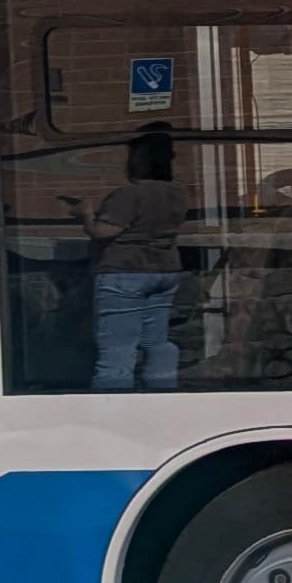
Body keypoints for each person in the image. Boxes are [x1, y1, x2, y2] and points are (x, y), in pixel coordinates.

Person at [85, 121, 185, 390]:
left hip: (124, 272)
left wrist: (85, 213)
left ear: (139, 160)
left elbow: (102, 231)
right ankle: (163, 397)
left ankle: (113, 408)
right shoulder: (178, 193)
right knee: (156, 344)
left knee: (117, 351)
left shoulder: (129, 195)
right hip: (165, 271)